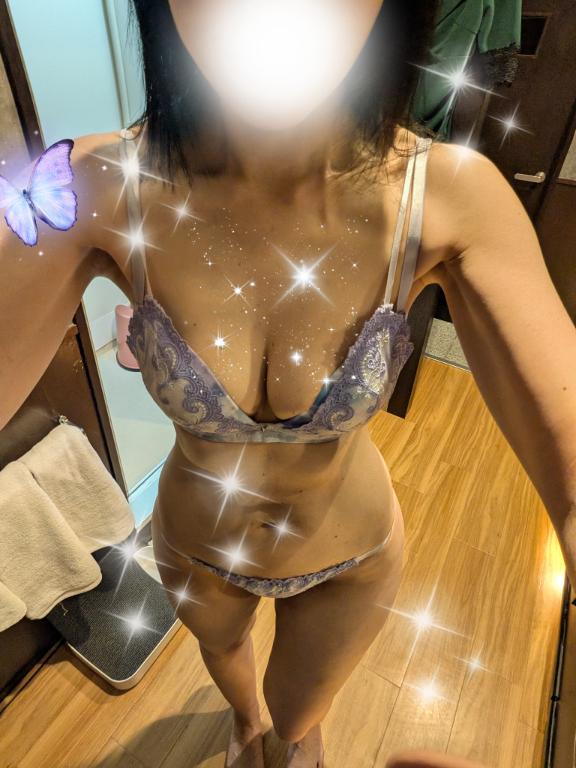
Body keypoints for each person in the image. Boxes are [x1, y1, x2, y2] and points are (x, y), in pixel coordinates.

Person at [2, 2, 575, 767]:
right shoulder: (90, 185)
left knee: (299, 715)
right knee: (235, 680)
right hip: (195, 549)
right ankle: (244, 727)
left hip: (350, 560)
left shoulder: (451, 194)